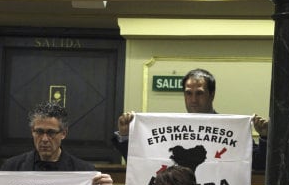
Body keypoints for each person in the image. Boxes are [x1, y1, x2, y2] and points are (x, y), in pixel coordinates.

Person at [112, 68, 268, 170]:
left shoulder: (230, 128)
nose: (193, 99)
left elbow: (259, 164)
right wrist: (125, 136)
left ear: (211, 94)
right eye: (188, 93)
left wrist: (265, 138)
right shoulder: (169, 126)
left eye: (199, 93)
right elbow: (141, 163)